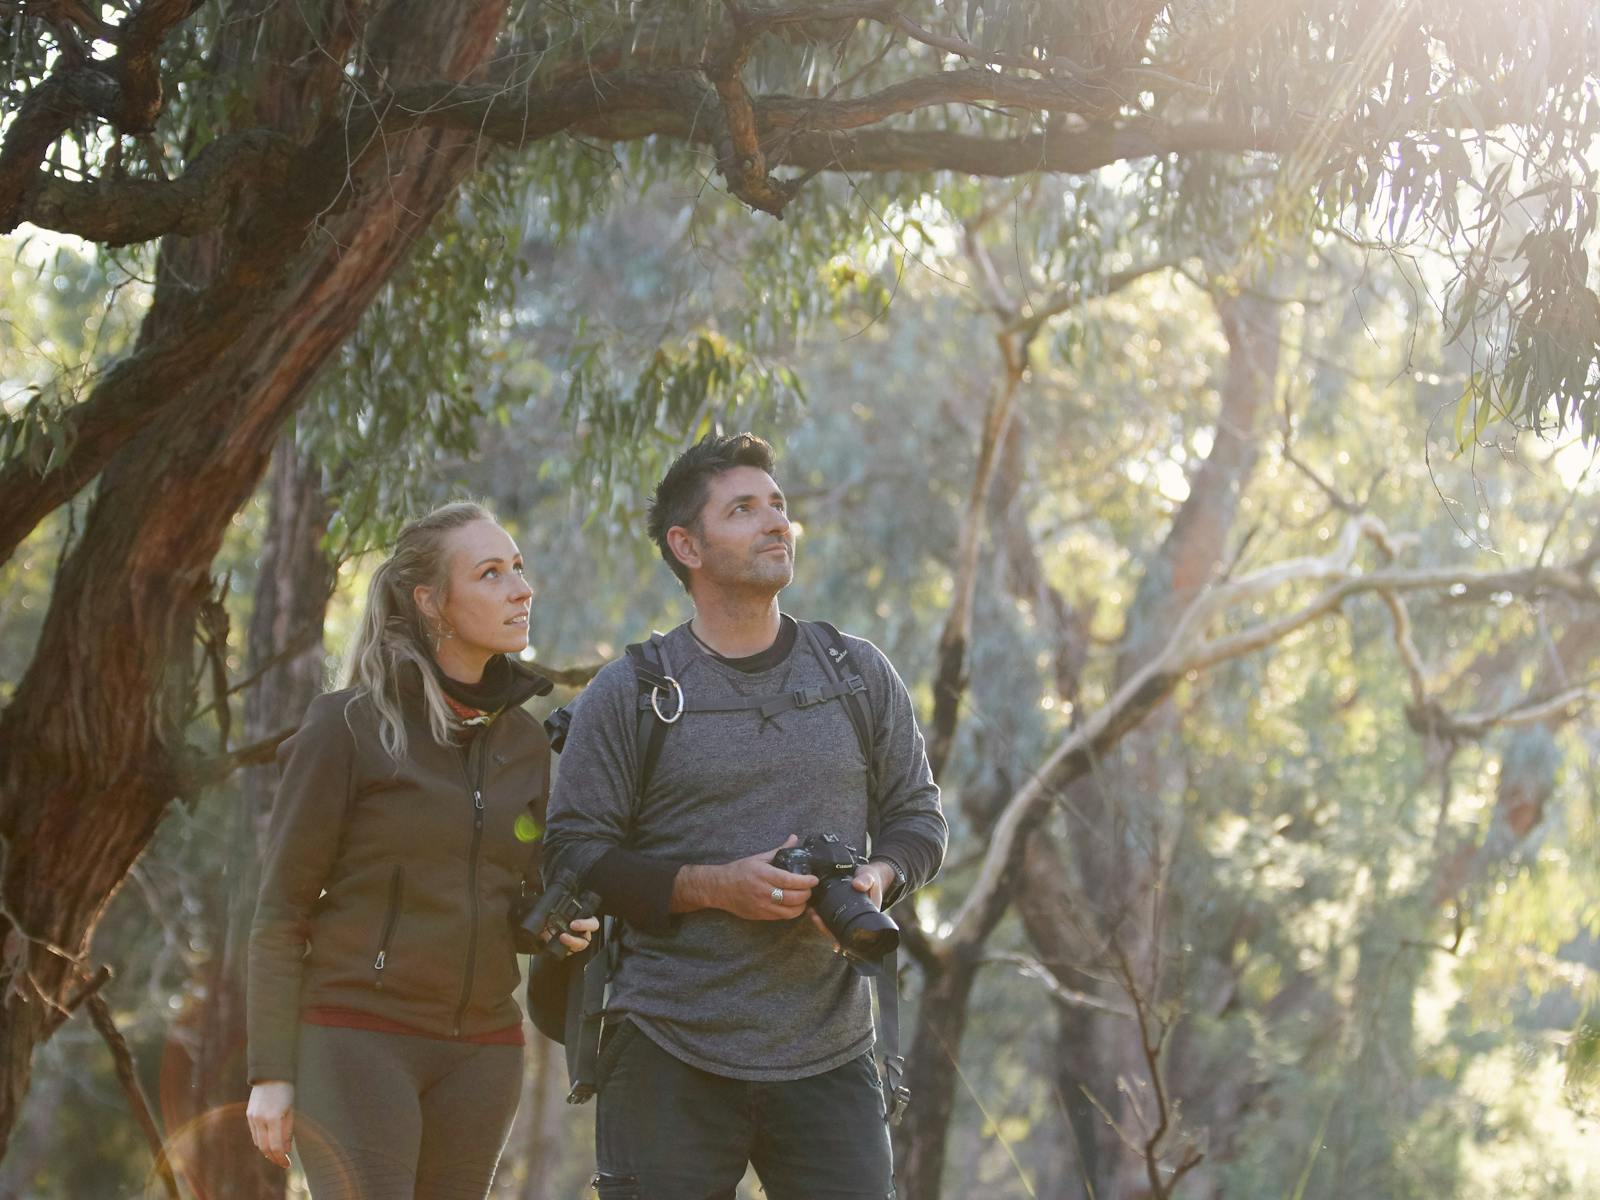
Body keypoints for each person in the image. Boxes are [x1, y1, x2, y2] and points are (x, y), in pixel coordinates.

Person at [544, 433, 948, 1199]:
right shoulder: (633, 691)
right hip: (668, 1049)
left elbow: (919, 819)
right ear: (686, 545)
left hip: (831, 1052)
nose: (774, 524)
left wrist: (876, 877)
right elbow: (572, 852)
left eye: (779, 506)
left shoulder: (857, 673)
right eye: (743, 509)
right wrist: (712, 887)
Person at [244, 501, 596, 1198]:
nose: (521, 589)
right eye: (491, 574)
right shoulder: (347, 726)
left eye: (518, 569)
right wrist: (270, 1072)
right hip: (357, 1038)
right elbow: (280, 911)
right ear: (432, 602)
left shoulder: (524, 743)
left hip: (484, 1051)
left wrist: (558, 923)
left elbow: (509, 886)